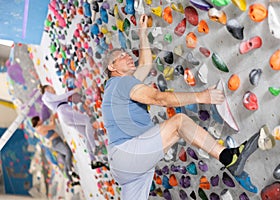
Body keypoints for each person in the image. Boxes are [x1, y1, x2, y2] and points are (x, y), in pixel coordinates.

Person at [102, 14, 260, 199]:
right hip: (127, 154)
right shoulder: (120, 83)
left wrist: (143, 33)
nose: (128, 56)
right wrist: (201, 96)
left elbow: (144, 64)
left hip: (125, 168)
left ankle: (229, 158)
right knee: (179, 123)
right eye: (122, 56)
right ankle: (228, 157)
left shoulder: (115, 89)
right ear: (112, 66)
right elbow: (159, 98)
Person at [40, 85, 107, 169]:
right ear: (46, 89)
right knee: (87, 120)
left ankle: (93, 160)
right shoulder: (46, 96)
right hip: (65, 112)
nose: (53, 89)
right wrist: (73, 91)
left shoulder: (50, 99)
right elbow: (60, 97)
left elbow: (63, 98)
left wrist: (69, 93)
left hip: (64, 114)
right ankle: (94, 148)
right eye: (51, 88)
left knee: (86, 135)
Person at [31, 114, 80, 186]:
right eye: (39, 119)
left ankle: (71, 181)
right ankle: (70, 171)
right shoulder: (40, 127)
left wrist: (52, 120)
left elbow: (50, 126)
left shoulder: (39, 128)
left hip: (56, 141)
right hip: (56, 142)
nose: (41, 120)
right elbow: (53, 126)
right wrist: (53, 118)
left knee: (64, 159)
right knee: (68, 152)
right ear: (37, 121)